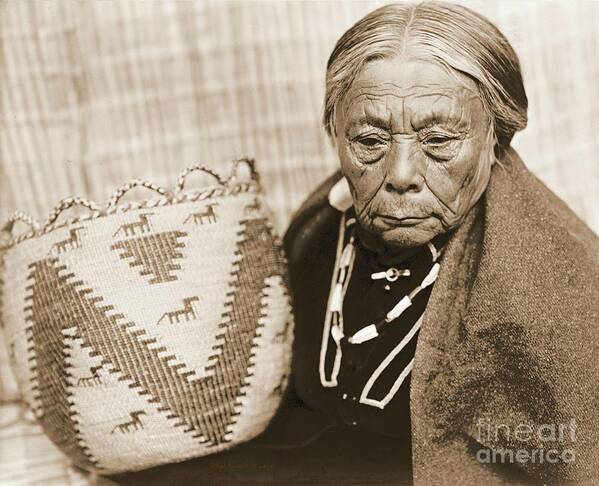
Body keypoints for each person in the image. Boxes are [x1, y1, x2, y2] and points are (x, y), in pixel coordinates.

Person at [280, 2, 599, 485]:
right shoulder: (315, 235)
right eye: (370, 140)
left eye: (440, 140)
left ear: (497, 137)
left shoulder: (557, 290)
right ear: (335, 134)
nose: (401, 175)